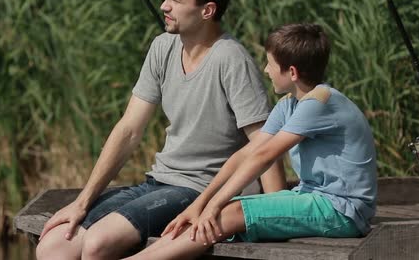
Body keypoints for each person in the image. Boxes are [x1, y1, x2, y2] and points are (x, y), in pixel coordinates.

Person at [35, 0, 286, 260]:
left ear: (207, 11)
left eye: (174, 0)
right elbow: (129, 130)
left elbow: (265, 143)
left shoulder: (231, 60)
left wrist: (276, 211)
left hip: (201, 190)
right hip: (158, 182)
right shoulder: (163, 47)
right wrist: (82, 201)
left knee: (98, 243)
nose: (164, 6)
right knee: (52, 247)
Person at [124, 23, 378, 260]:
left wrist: (215, 204)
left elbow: (264, 156)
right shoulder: (288, 104)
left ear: (291, 72)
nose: (265, 70)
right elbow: (245, 155)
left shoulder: (320, 102)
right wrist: (201, 204)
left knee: (230, 213)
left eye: (269, 64)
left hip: (343, 210)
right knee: (209, 214)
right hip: (312, 198)